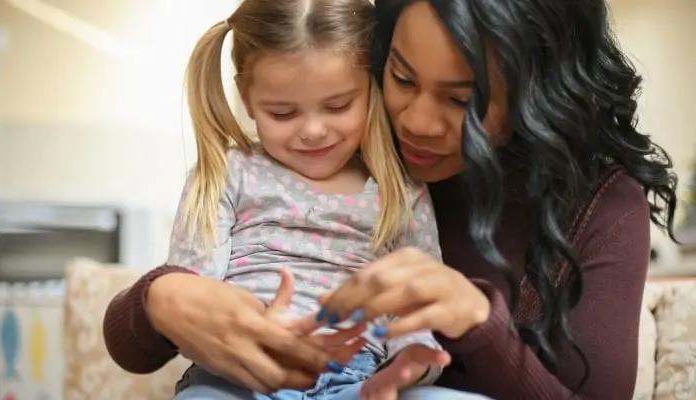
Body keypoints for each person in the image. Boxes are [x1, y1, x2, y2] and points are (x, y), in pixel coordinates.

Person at [104, 0, 679, 399]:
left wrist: (477, 325)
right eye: (401, 78)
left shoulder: (601, 208)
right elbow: (136, 337)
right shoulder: (344, 151)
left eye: (463, 101)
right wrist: (162, 298)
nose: (417, 123)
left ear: (538, 96)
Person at [104, 0, 486, 399]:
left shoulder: (401, 192)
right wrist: (252, 333)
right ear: (247, 98)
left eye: (338, 106)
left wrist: (410, 368)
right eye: (283, 113)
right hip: (240, 376)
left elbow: (413, 314)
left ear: (371, 85)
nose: (314, 131)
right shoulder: (227, 174)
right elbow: (194, 296)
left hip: (359, 382)